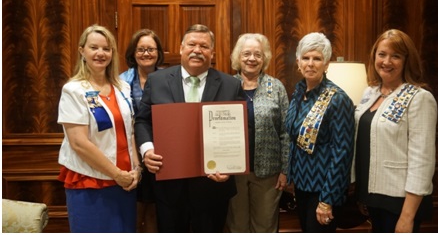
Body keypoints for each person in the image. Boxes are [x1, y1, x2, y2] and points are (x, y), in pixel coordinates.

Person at [134, 24, 246, 233]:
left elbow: (243, 129)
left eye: (204, 46)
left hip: (213, 187)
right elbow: (142, 121)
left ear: (212, 52)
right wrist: (147, 150)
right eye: (192, 44)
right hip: (169, 186)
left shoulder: (231, 85)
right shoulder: (157, 81)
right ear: (181, 48)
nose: (197, 50)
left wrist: (231, 168)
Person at [57, 24, 142, 232]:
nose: (100, 53)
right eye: (94, 47)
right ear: (82, 51)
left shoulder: (122, 87)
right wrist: (116, 174)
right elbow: (79, 143)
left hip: (125, 183)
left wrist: (137, 169)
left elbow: (130, 130)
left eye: (106, 48)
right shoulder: (73, 90)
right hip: (91, 183)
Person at [352, 29, 437, 233]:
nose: (387, 61)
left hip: (399, 202)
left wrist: (407, 217)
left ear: (407, 60)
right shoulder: (369, 93)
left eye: (395, 56)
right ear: (374, 56)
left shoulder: (419, 98)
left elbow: (422, 162)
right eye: (382, 54)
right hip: (372, 197)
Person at [285, 32, 355, 232]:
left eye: (317, 58)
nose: (310, 63)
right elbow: (293, 137)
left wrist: (327, 199)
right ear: (298, 62)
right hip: (301, 185)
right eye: (306, 58)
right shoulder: (299, 93)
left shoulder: (337, 99)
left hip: (323, 189)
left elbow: (342, 153)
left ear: (326, 64)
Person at [226, 33, 290, 232]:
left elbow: (286, 131)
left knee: (264, 225)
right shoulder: (226, 86)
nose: (252, 59)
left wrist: (285, 170)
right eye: (246, 54)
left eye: (257, 54)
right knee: (237, 225)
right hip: (233, 171)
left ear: (264, 59)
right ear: (238, 57)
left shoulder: (276, 87)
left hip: (268, 173)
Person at [120, 29, 165, 232]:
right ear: (133, 52)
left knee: (157, 210)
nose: (146, 54)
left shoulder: (168, 79)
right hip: (130, 155)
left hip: (161, 155)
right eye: (141, 49)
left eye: (151, 49)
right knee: (134, 211)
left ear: (158, 53)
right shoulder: (120, 82)